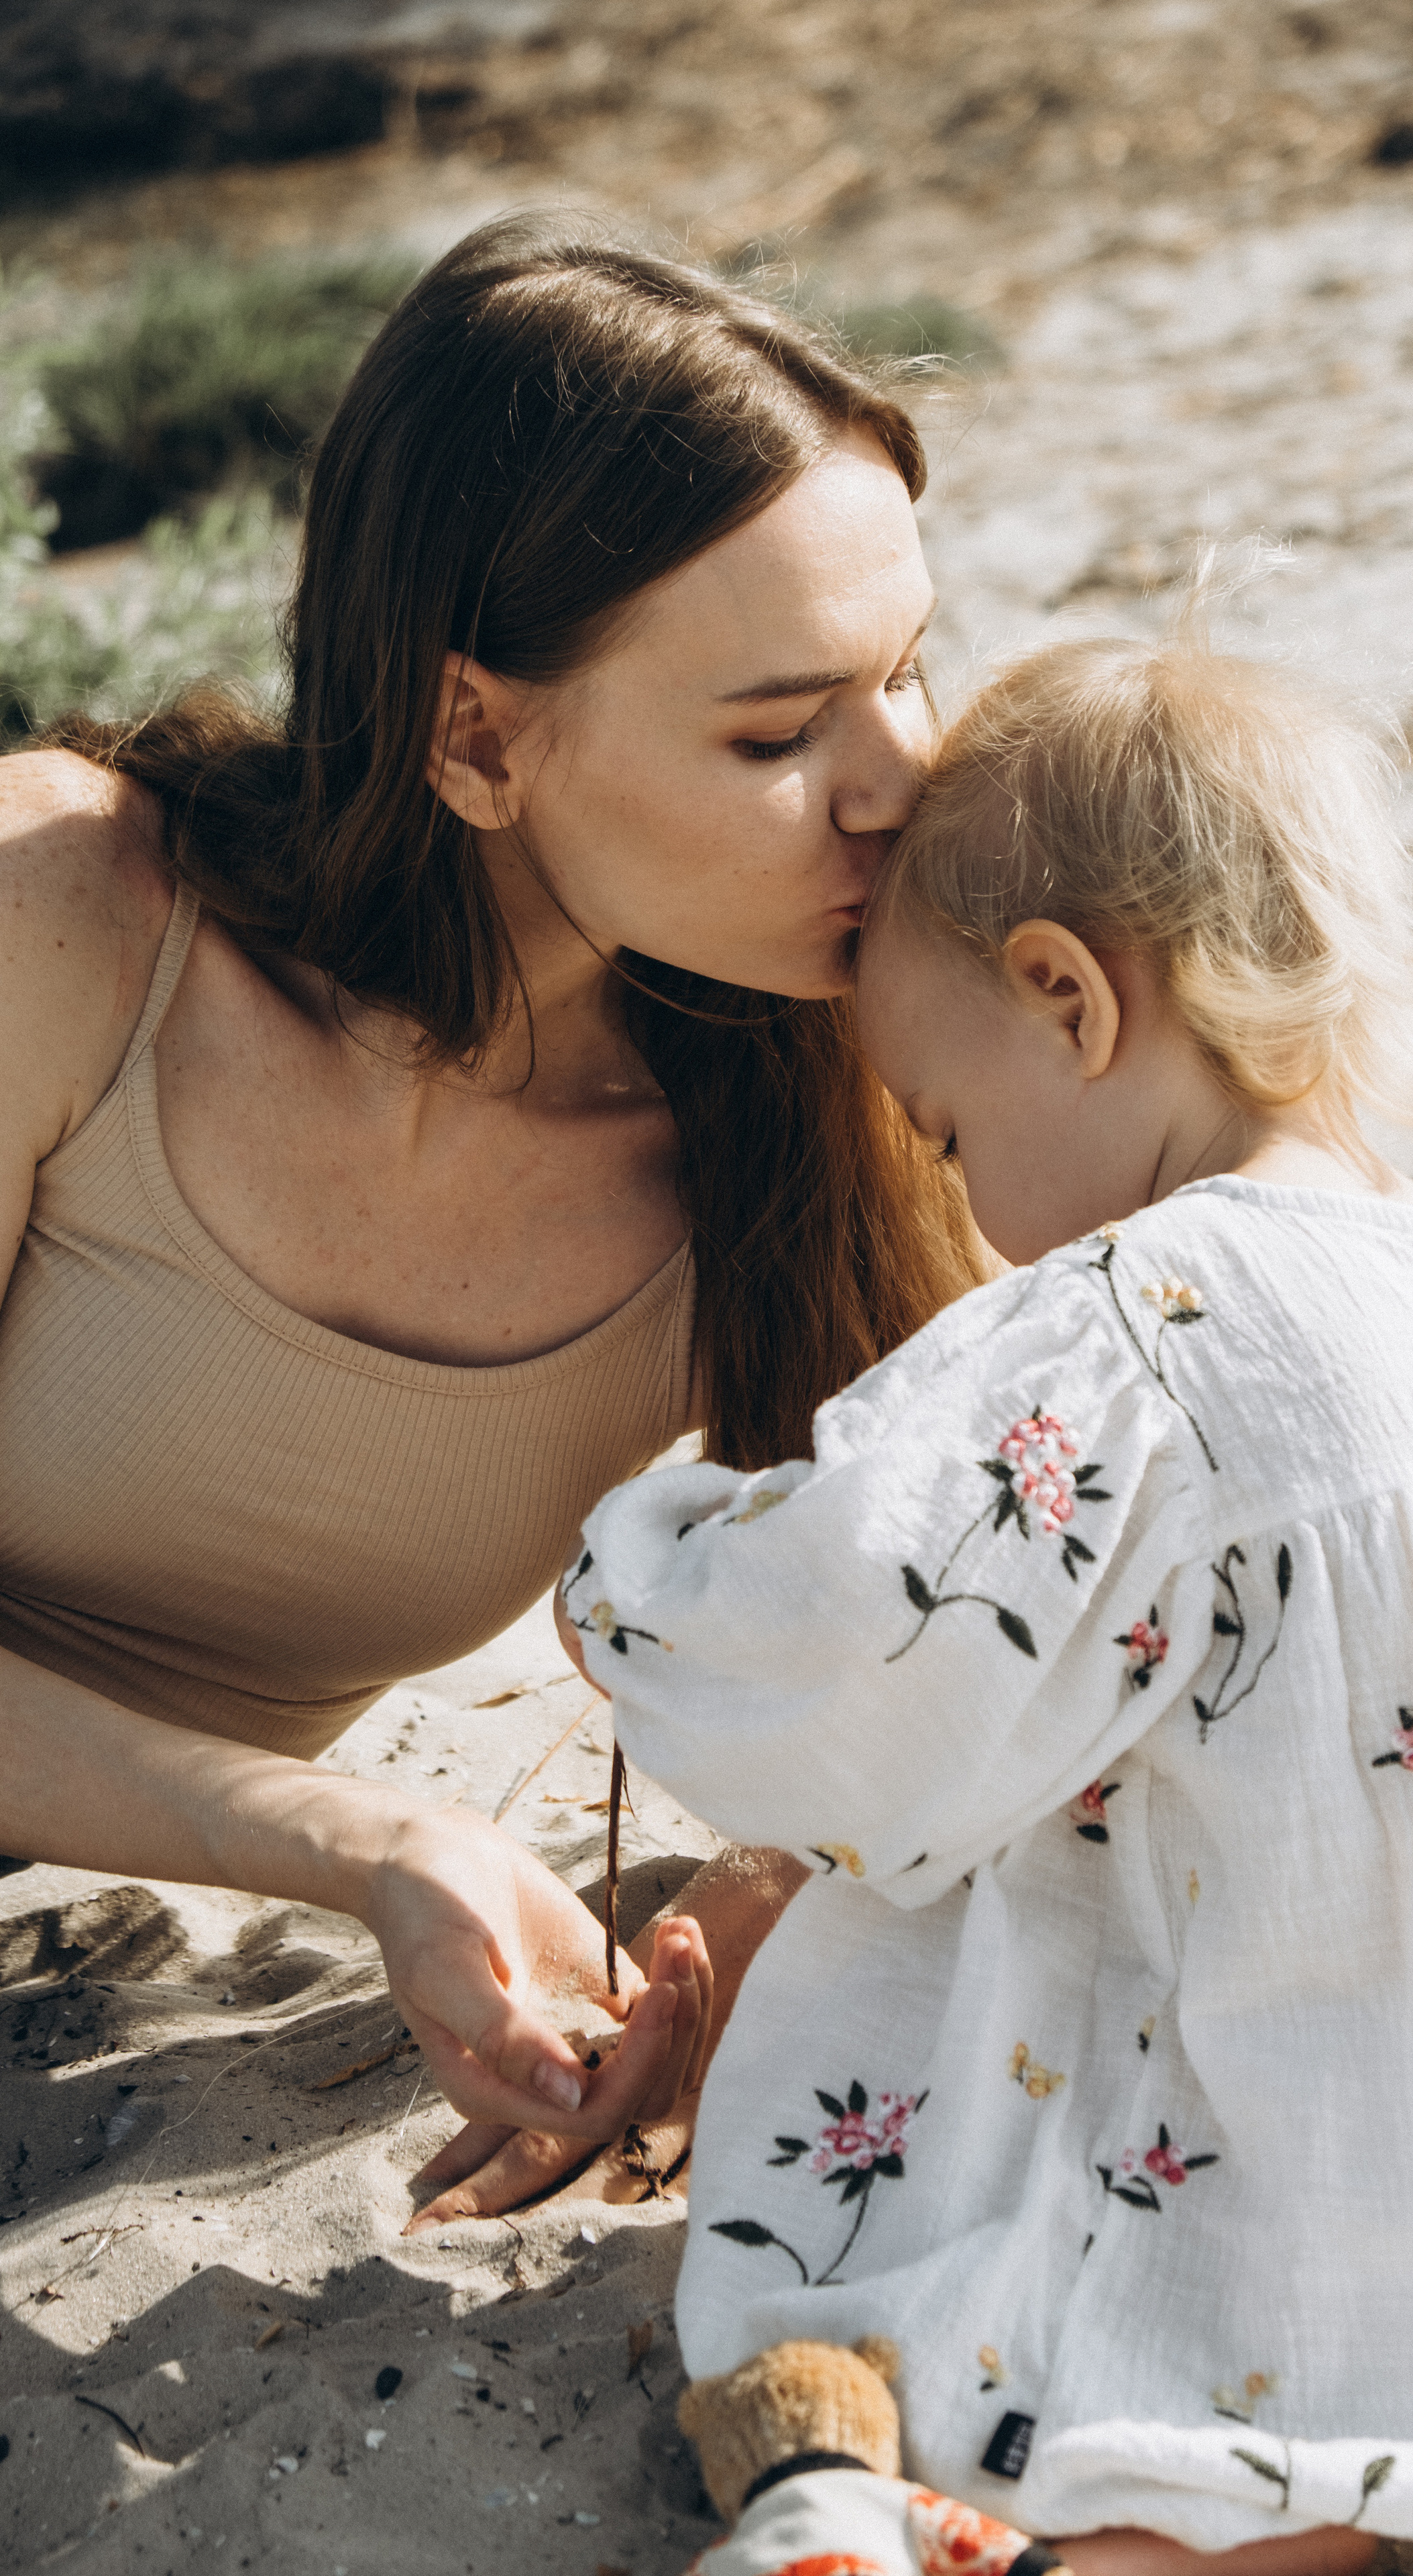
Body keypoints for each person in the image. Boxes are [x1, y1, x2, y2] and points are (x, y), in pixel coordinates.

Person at [563, 635, 1413, 2573]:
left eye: (944, 1130)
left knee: (952, 2124)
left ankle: (967, 2511)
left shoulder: (1127, 1330)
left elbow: (859, 1636)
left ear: (1067, 998)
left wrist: (650, 1562)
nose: (966, 1199)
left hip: (1310, 2163)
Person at [0, 214, 982, 2224]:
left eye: (909, 672)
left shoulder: (794, 1097)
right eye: (780, 733)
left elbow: (976, 1630)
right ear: (474, 733)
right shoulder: (68, 918)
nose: (907, 780)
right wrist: (362, 1837)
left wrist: (761, 1899)